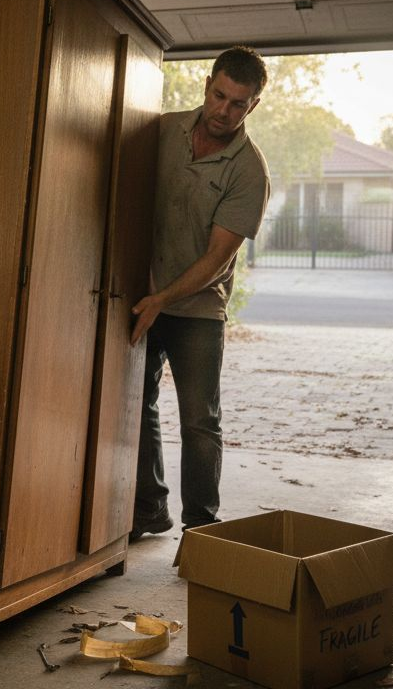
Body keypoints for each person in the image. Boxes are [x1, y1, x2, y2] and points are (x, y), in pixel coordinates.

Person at [130, 46, 270, 540]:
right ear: (208, 83)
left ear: (252, 106)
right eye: (219, 96)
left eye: (237, 104)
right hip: (141, 298)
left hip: (197, 311)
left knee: (198, 421)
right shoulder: (162, 130)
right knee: (136, 405)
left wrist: (161, 299)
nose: (223, 110)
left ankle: (202, 530)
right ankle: (148, 510)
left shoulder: (249, 170)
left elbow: (217, 260)